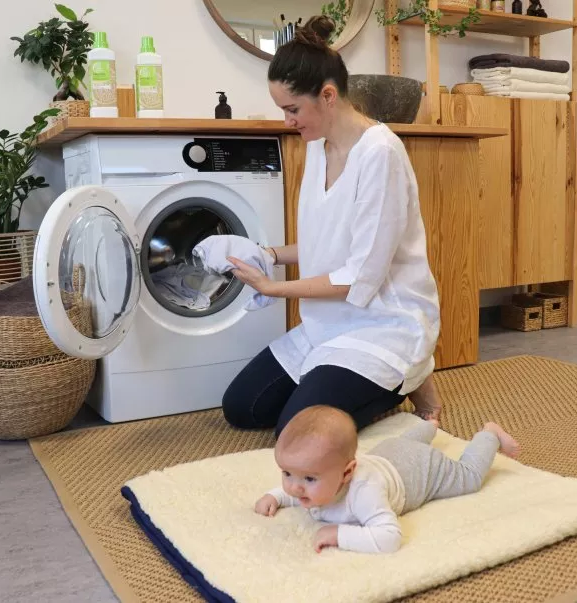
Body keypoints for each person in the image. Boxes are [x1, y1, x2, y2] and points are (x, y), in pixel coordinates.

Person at [222, 14, 443, 438]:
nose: (287, 121)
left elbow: (360, 275)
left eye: (292, 109)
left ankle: (410, 373)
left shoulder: (380, 154)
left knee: (299, 433)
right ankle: (384, 382)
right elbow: (323, 242)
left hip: (385, 324)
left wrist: (274, 288)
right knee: (242, 407)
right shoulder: (318, 147)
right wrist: (267, 254)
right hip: (329, 323)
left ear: (327, 95)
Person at [254, 405, 521, 554]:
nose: (294, 487)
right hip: (389, 452)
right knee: (402, 444)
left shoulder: (364, 494)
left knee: (469, 478)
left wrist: (339, 534)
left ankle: (489, 434)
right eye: (286, 473)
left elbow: (390, 538)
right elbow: (298, 491)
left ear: (347, 473)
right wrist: (276, 496)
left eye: (309, 479)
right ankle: (428, 427)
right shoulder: (316, 477)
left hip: (420, 468)